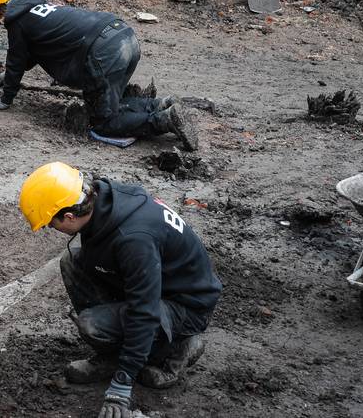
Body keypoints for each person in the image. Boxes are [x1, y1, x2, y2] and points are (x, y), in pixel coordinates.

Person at [19, 161, 223, 418]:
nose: (51, 229)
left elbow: (144, 310)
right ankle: (115, 354)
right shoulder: (104, 199)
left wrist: (122, 385)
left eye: (51, 223)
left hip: (187, 305)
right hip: (160, 284)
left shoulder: (133, 239)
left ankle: (177, 348)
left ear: (69, 216)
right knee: (72, 263)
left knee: (93, 325)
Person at [0, 0, 199, 150]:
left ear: (3, 7)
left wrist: (5, 100)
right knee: (113, 102)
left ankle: (166, 120)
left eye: (0, 16)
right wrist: (9, 76)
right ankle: (161, 104)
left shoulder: (17, 21)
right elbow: (30, 56)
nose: (3, 21)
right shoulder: (42, 8)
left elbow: (17, 60)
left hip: (103, 52)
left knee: (104, 123)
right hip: (125, 36)